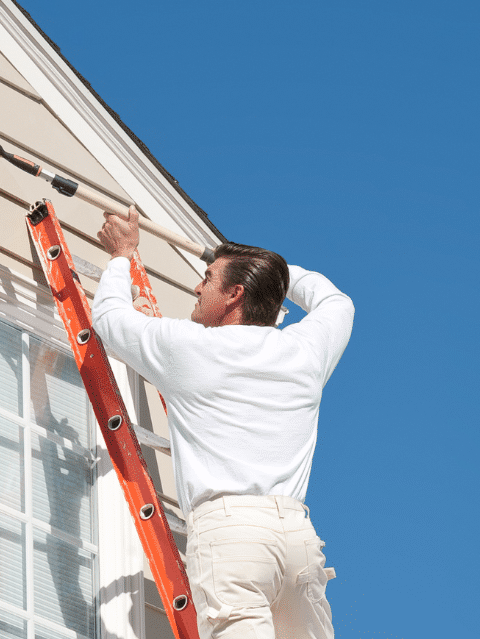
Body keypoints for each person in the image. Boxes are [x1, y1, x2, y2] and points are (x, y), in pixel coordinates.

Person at [93, 208, 355, 639]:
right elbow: (336, 302)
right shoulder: (304, 352)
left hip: (230, 535)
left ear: (235, 294)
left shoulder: (189, 348)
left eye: (208, 278)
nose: (197, 286)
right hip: (296, 538)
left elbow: (109, 319)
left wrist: (122, 254)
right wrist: (273, 272)